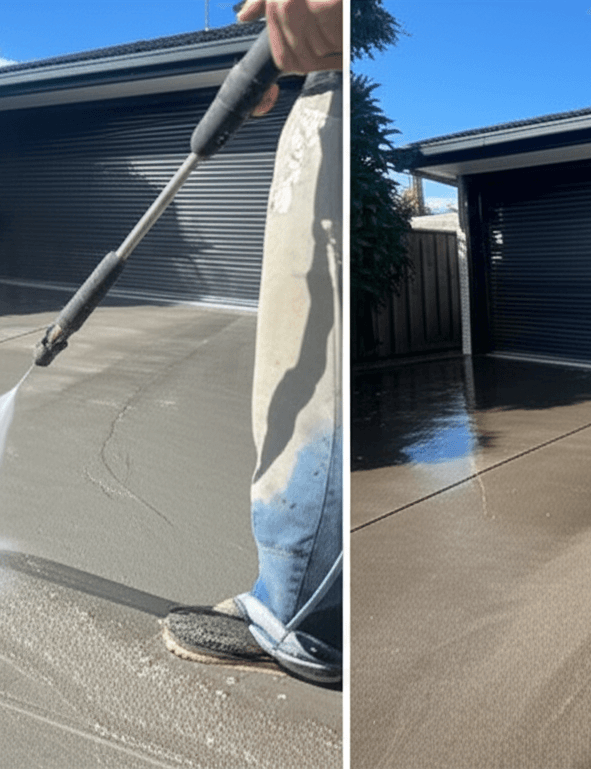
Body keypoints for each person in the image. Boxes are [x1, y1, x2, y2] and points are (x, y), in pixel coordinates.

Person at [162, 0, 343, 684]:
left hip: (336, 96)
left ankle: (301, 613)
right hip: (319, 87)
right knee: (295, 343)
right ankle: (301, 596)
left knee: (315, 356)